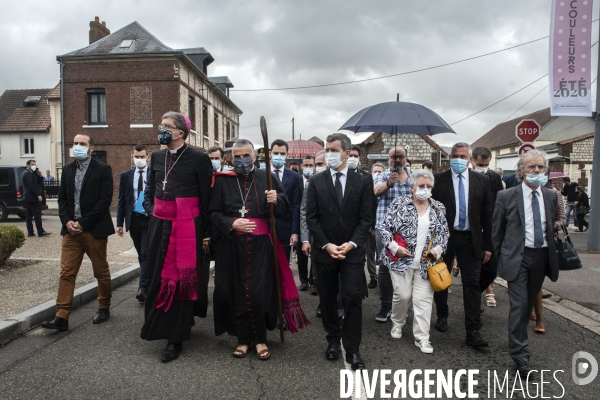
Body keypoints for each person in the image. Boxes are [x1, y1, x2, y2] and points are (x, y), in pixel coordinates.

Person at [210, 139, 308, 360]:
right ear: (231, 158)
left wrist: (277, 200)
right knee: (235, 292)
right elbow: (213, 213)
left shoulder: (268, 178)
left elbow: (284, 210)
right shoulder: (223, 181)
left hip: (261, 245)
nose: (242, 160)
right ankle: (243, 340)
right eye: (237, 156)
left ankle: (261, 338)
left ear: (255, 157)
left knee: (259, 292)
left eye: (246, 155)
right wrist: (232, 223)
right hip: (232, 244)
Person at [140, 112, 213, 363]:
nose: (161, 129)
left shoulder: (199, 159)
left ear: (180, 132)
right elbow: (150, 188)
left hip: (187, 227)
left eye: (166, 126)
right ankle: (159, 323)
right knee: (159, 276)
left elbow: (206, 199)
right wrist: (151, 211)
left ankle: (176, 337)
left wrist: (205, 234)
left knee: (181, 280)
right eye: (161, 124)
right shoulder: (157, 157)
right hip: (159, 226)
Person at [306, 133, 373, 370]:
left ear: (346, 152)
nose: (329, 154)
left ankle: (353, 349)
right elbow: (311, 218)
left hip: (352, 252)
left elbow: (366, 218)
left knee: (353, 296)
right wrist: (326, 245)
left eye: (333, 150)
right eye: (327, 149)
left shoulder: (363, 181)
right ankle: (333, 341)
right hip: (325, 252)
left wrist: (352, 243)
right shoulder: (316, 181)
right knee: (327, 298)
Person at [492, 150, 559, 375]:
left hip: (540, 257)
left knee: (529, 303)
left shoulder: (550, 196)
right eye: (532, 167)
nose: (536, 171)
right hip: (517, 258)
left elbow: (551, 224)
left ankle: (518, 339)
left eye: (540, 167)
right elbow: (497, 231)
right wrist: (503, 258)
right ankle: (521, 357)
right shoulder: (506, 196)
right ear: (522, 170)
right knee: (519, 305)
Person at [41, 134, 114, 332]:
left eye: (82, 144)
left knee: (100, 271)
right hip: (71, 231)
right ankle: (61, 316)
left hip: (94, 230)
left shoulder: (103, 169)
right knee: (66, 273)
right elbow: (63, 199)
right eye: (75, 143)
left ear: (91, 148)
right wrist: (67, 221)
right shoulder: (67, 169)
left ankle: (104, 306)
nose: (78, 147)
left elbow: (105, 201)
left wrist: (83, 223)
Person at [379, 169, 449, 353]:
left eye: (428, 186)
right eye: (421, 186)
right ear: (412, 188)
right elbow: (385, 228)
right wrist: (395, 248)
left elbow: (444, 234)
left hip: (426, 263)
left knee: (423, 300)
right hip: (400, 260)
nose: (425, 189)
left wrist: (436, 251)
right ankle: (397, 322)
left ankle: (422, 338)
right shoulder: (399, 203)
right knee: (402, 295)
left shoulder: (438, 207)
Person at [431, 142, 493, 349]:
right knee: (442, 278)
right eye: (455, 156)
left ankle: (473, 330)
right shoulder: (438, 180)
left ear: (470, 159)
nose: (458, 159)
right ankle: (442, 315)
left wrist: (488, 245)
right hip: (445, 238)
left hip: (470, 239)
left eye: (463, 156)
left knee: (472, 283)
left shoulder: (481, 181)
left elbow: (487, 216)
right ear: (449, 158)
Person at [373, 146, 412, 322]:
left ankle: (403, 305)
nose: (397, 159)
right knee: (385, 267)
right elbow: (376, 191)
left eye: (400, 156)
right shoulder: (382, 175)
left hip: (409, 230)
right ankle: (386, 305)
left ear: (405, 158)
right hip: (386, 230)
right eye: (393, 157)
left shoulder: (414, 176)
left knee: (408, 266)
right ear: (388, 159)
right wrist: (389, 183)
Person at [530, 171, 566, 334]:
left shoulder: (554, 194)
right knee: (522, 283)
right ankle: (526, 311)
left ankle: (540, 317)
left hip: (544, 245)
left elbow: (562, 218)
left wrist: (555, 225)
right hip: (524, 246)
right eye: (533, 169)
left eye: (542, 171)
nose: (537, 174)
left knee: (537, 284)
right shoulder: (519, 192)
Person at [116, 144, 150, 304]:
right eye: (137, 157)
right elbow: (122, 200)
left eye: (142, 157)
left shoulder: (153, 173)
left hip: (149, 219)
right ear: (133, 156)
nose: (140, 159)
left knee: (145, 253)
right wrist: (119, 223)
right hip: (134, 219)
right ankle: (147, 283)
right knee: (140, 254)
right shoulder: (126, 175)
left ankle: (142, 288)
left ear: (147, 157)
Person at [471, 147, 503, 309]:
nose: (482, 168)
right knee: (474, 269)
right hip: (472, 230)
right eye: (479, 164)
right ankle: (474, 301)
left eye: (486, 165)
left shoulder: (493, 178)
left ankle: (476, 292)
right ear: (472, 161)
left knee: (491, 269)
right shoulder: (467, 177)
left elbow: (500, 201)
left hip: (490, 228)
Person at [348, 145, 378, 289]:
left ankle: (365, 282)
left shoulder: (366, 177)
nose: (352, 158)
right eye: (350, 155)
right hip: (346, 225)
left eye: (355, 156)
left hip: (363, 225)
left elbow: (371, 202)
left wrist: (372, 226)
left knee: (365, 254)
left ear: (359, 158)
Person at [270, 139, 302, 263]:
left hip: (285, 228)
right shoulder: (261, 174)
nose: (279, 156)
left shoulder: (294, 177)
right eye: (276, 153)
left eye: (282, 154)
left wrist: (294, 232)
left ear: (287, 155)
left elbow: (295, 205)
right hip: (266, 227)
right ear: (270, 153)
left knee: (283, 266)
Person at [298, 155, 316, 292]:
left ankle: (313, 281)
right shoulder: (297, 181)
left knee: (315, 252)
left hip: (314, 222)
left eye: (311, 165)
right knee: (301, 253)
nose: (308, 168)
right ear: (301, 166)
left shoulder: (316, 181)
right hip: (300, 221)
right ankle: (303, 280)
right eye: (306, 165)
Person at [22, 160, 51, 238]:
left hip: (29, 198)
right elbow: (31, 186)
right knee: (37, 215)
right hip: (32, 198)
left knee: (29, 215)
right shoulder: (27, 173)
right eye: (32, 164)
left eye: (35, 164)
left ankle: (30, 232)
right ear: (28, 165)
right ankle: (40, 231)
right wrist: (38, 195)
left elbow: (37, 182)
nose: (34, 166)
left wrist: (39, 175)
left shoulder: (31, 173)